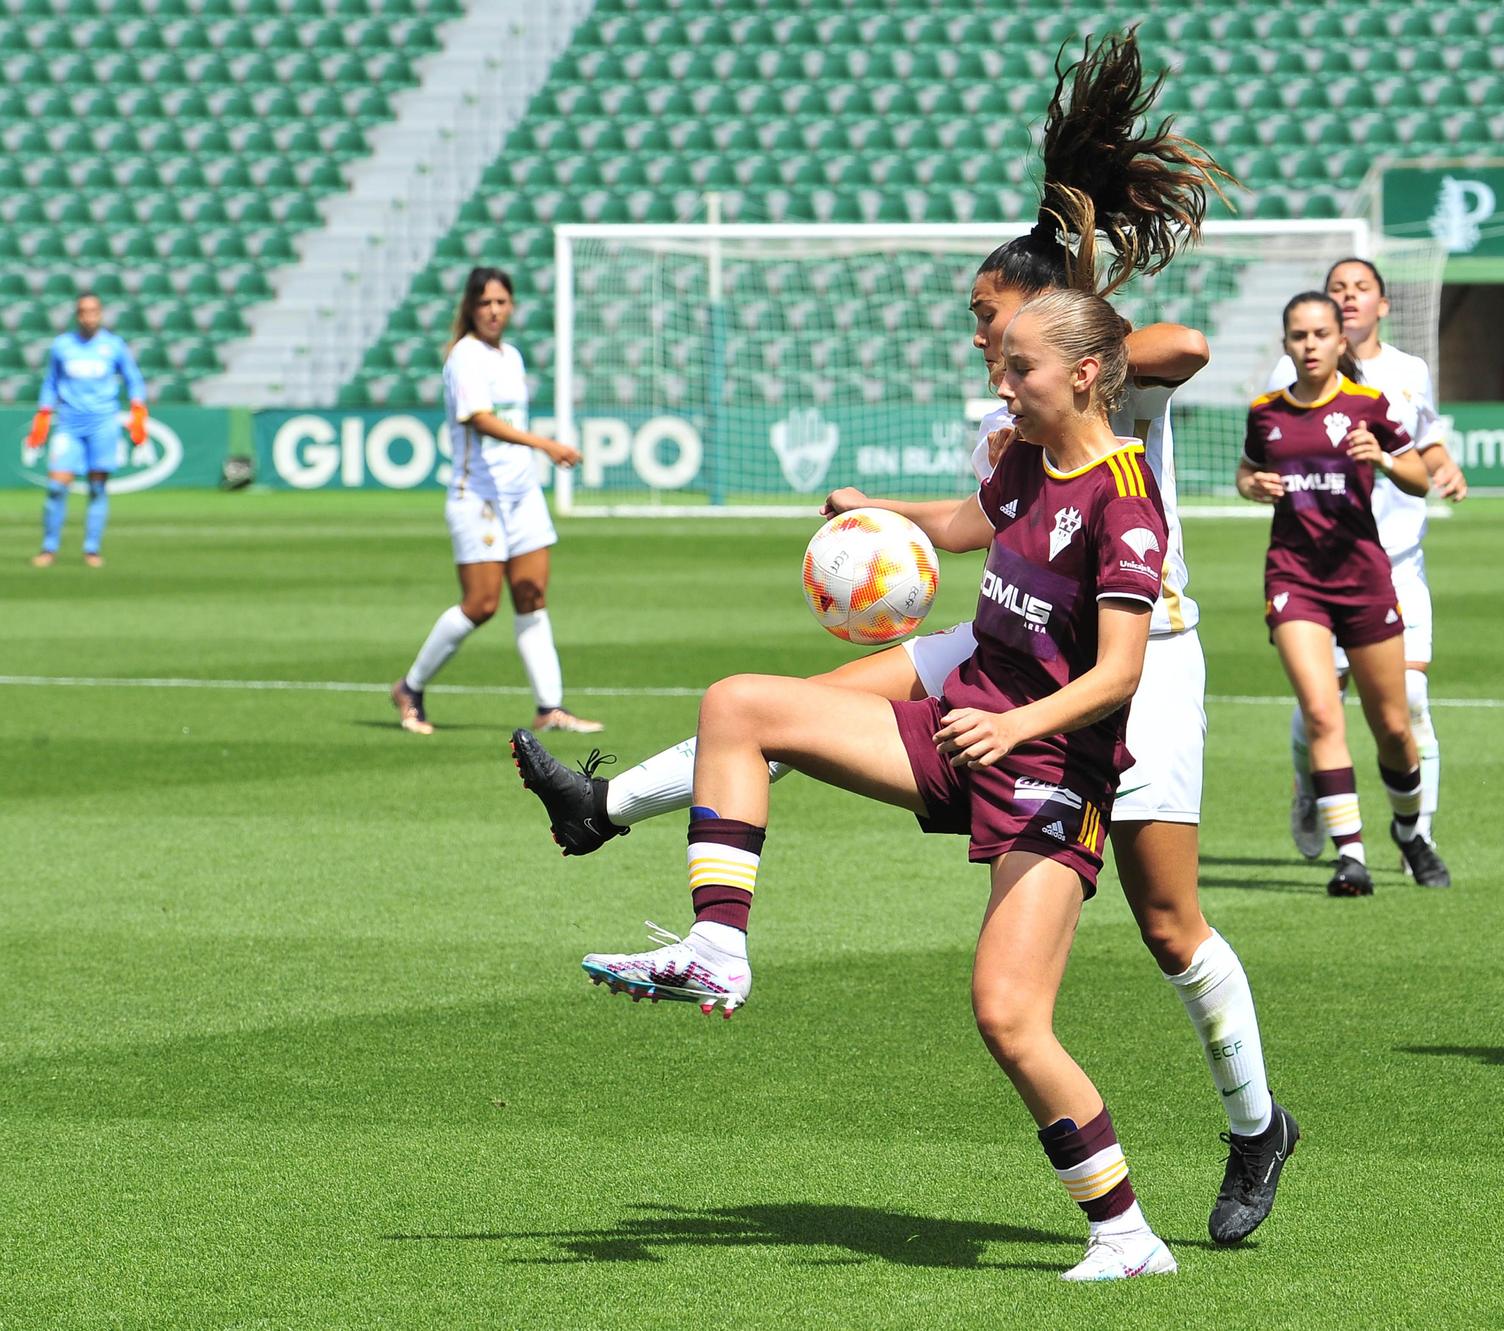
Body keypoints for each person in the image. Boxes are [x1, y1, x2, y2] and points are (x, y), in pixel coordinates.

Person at [511, 29, 1299, 1247]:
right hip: (1012, 630)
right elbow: (981, 521)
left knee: (1164, 921)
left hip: (1133, 656)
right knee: (788, 712)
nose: (978, 342)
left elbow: (1185, 350)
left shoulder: (1090, 388)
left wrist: (1076, 352)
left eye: (992, 323)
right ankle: (606, 815)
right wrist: (880, 511)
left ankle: (1253, 1123)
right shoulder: (1018, 414)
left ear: (1056, 337)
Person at [571, 291, 1181, 1280]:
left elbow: (1117, 672)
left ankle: (1125, 1234)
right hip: (963, 730)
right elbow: (958, 525)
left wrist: (1011, 724)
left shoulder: (1123, 493)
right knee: (738, 704)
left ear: (1080, 372)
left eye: (1018, 365)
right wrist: (874, 510)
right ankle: (718, 943)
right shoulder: (1026, 457)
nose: (999, 380)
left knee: (1006, 1014)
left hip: (1050, 769)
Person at [1239, 291, 1448, 896]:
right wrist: (1254, 486)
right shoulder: (1265, 413)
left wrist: (1382, 457)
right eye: (1298, 335)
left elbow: (1419, 478)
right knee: (1323, 712)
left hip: (1362, 577)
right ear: (1286, 344)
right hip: (1294, 579)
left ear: (1339, 343)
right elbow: (1247, 471)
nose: (1309, 345)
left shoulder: (1368, 406)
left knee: (1393, 724)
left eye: (1320, 334)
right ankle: (1350, 856)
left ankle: (1410, 834)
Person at [389, 266, 600, 736]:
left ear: (512, 306)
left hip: (521, 495)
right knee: (481, 604)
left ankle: (550, 707)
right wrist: (543, 444)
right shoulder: (465, 357)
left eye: (501, 302)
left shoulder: (511, 356)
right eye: (485, 303)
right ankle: (411, 686)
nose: (494, 311)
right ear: (470, 308)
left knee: (531, 596)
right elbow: (478, 419)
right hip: (478, 496)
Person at [26, 293, 145, 569]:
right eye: (83, 311)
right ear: (77, 314)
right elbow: (51, 382)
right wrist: (44, 412)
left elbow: (133, 378)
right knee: (56, 486)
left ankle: (91, 549)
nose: (88, 316)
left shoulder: (113, 346)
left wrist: (138, 409)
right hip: (69, 422)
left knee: (97, 487)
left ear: (100, 314)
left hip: (103, 422)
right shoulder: (62, 346)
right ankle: (49, 547)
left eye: (93, 311)